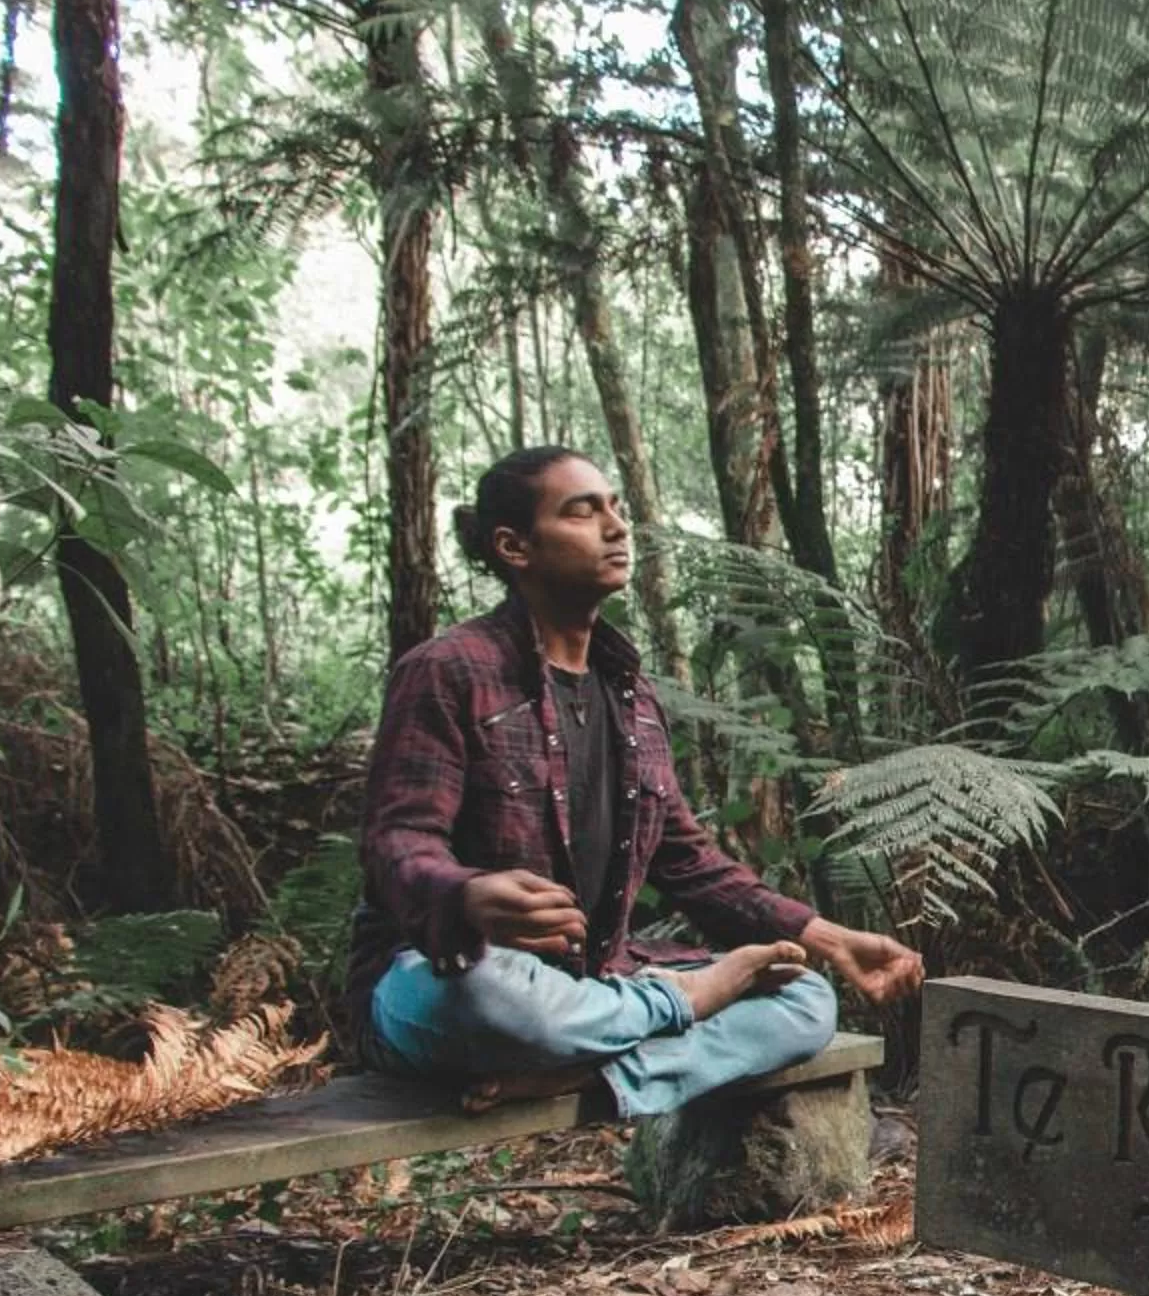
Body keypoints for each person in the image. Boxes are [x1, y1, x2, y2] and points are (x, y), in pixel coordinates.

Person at [348, 446, 923, 1116]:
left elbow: (689, 863)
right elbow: (398, 841)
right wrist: (465, 895)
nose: (617, 526)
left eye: (616, 507)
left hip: (591, 984)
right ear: (514, 547)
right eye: (582, 511)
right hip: (448, 977)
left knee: (805, 999)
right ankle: (671, 1007)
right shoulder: (449, 670)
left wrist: (825, 937)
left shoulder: (632, 696)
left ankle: (591, 1075)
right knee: (493, 998)